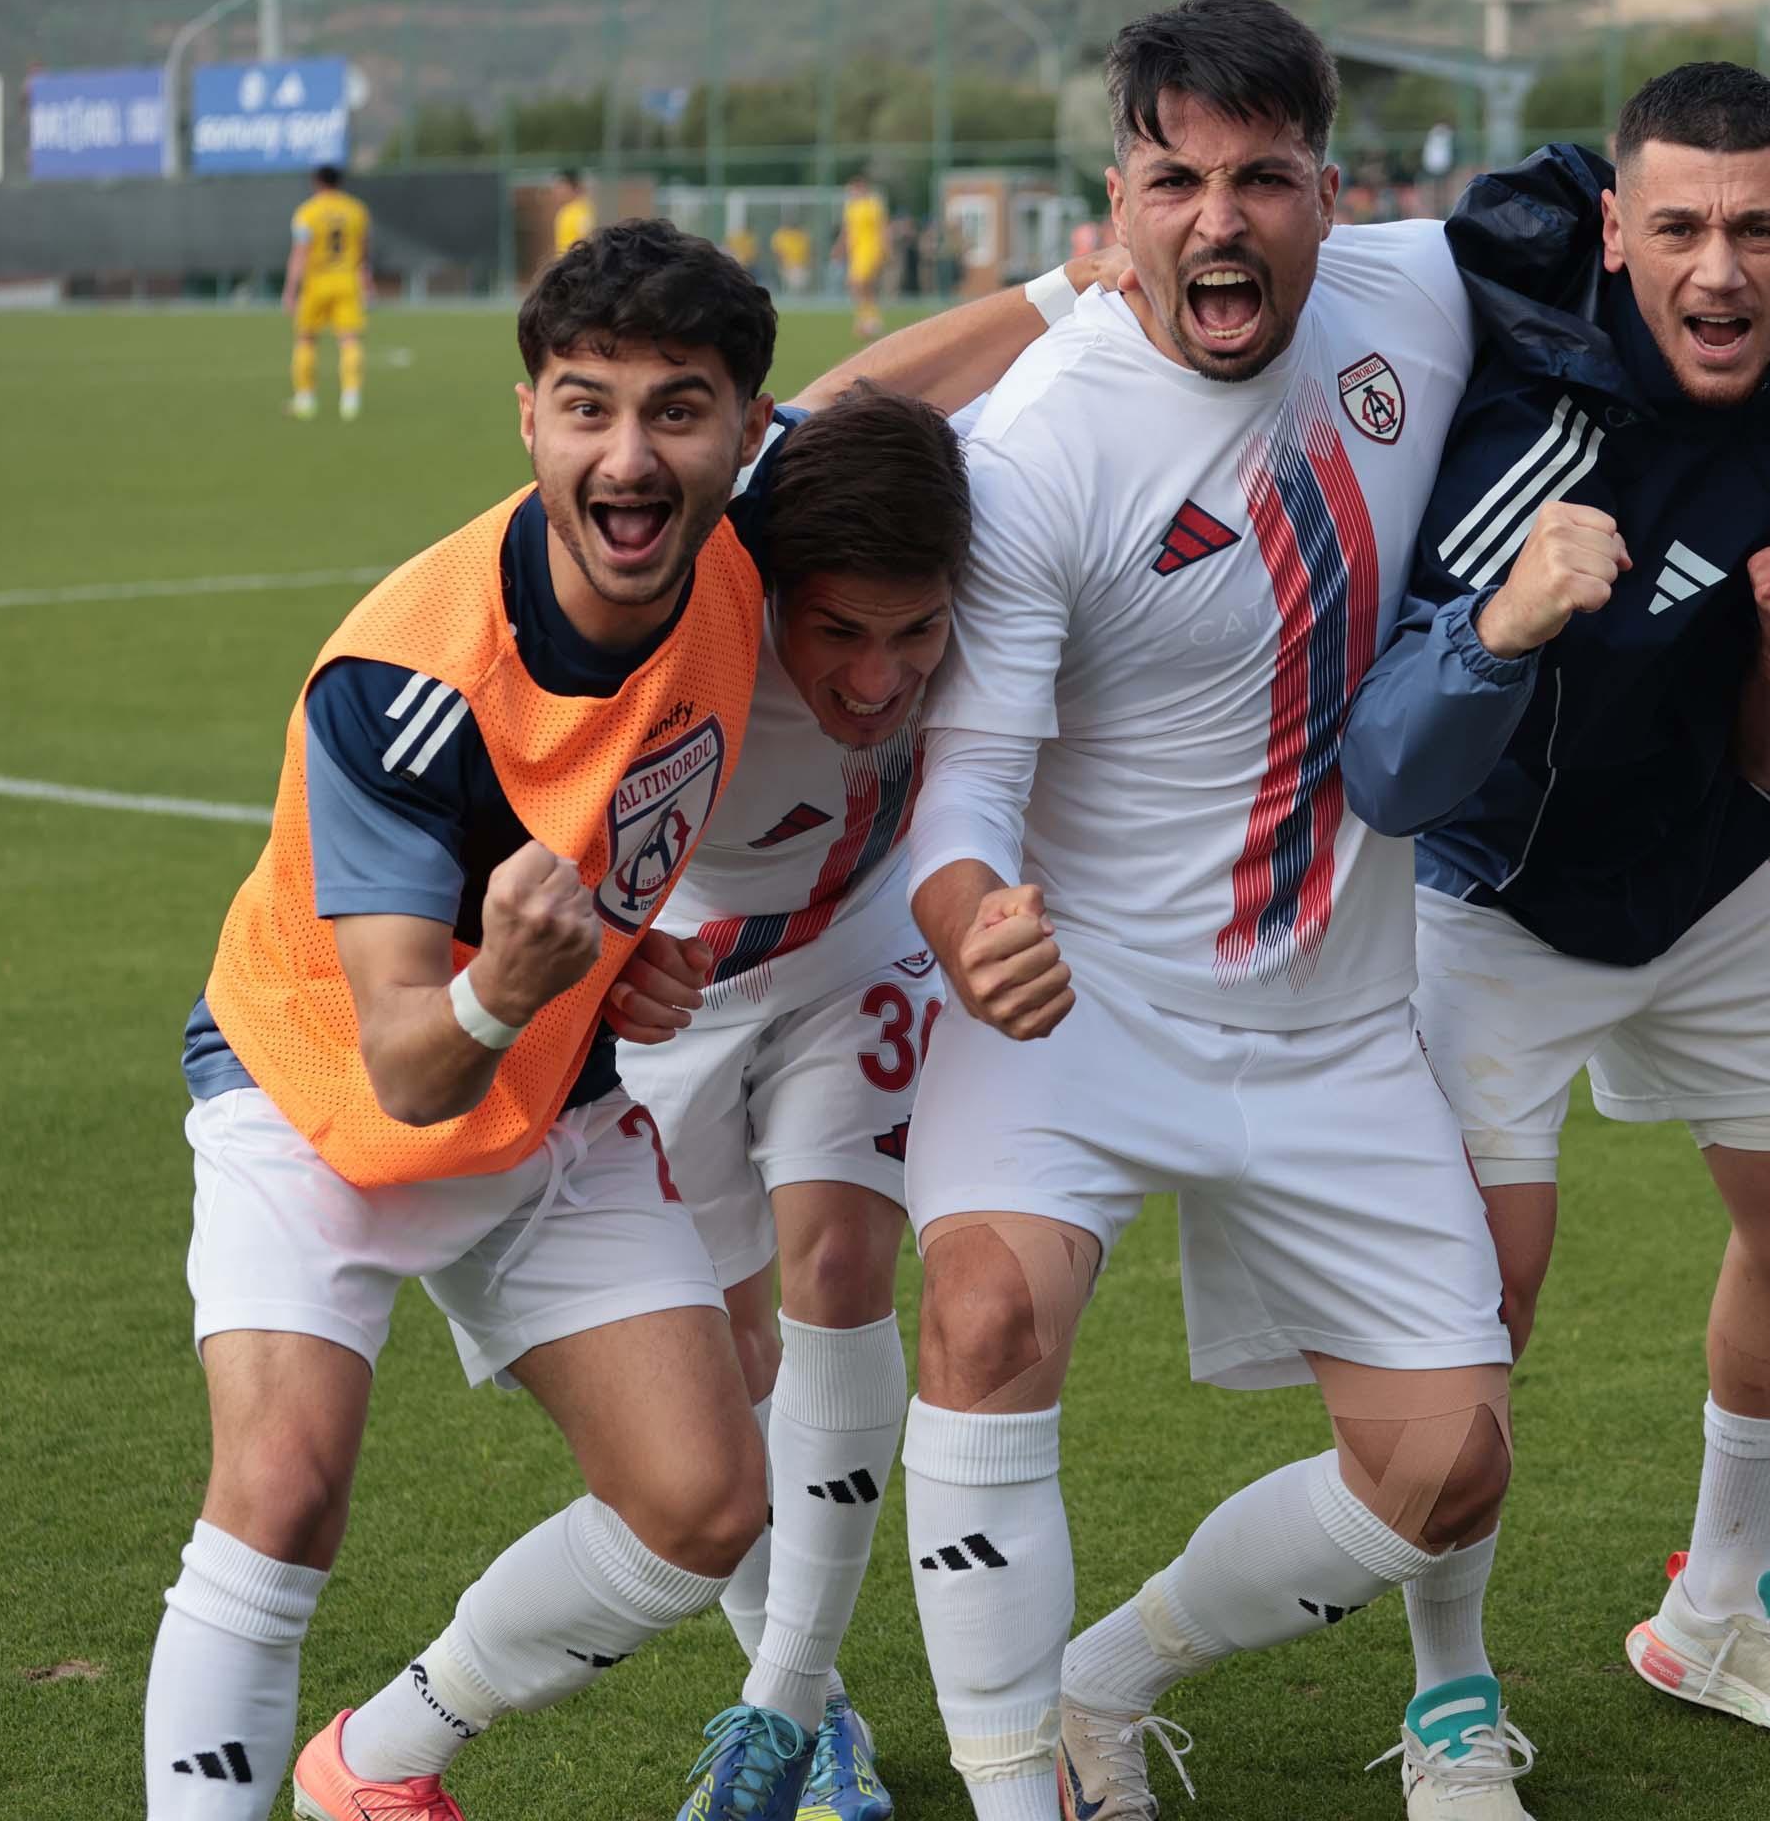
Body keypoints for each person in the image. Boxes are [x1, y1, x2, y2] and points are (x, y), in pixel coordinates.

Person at [893, 0, 1516, 1821]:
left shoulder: (1422, 292)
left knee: (1445, 1473)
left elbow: (1674, 194)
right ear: (1117, 204)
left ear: (1333, 192)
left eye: (1263, 179)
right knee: (984, 1317)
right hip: (1080, 1005)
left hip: (1337, 1017)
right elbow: (966, 786)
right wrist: (970, 920)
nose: (1219, 222)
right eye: (1176, 183)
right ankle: (1016, 1797)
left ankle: (1110, 1676)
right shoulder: (1039, 448)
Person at [145, 221, 785, 1820]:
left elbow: (895, 387)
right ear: (528, 419)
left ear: (747, 428)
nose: (629, 459)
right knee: (281, 1491)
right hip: (318, 1091)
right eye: (586, 408)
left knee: (704, 1505)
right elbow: (408, 1070)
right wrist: (508, 983)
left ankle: (374, 1763)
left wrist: (1078, 286)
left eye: (678, 410)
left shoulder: (738, 537)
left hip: (551, 1093)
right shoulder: (403, 683)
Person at [1338, 61, 1770, 1772]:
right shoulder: (1538, 439)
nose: (1719, 272)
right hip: (1497, 899)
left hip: (1709, 876)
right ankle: (1450, 1696)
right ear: (1612, 233)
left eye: (1757, 230)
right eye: (1677, 231)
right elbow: (1388, 773)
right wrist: (1505, 625)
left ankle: (1718, 1611)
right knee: (1479, 1310)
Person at [619, 243, 1136, 1821]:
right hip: (671, 977)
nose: (878, 678)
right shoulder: (688, 590)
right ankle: (818, 1696)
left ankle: (785, 1709)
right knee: (718, 1367)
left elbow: (865, 398)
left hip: (861, 941)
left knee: (844, 1260)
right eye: (839, 634)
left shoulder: (948, 529)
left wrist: (1069, 291)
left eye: (916, 638)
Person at [284, 162, 372, 422]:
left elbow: (300, 253)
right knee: (350, 340)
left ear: (316, 182)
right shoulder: (356, 210)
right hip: (347, 281)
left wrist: (290, 289)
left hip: (316, 283)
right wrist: (364, 277)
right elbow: (363, 250)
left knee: (306, 339)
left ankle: (305, 399)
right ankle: (351, 399)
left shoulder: (307, 212)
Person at [839, 174, 889, 339]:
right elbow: (847, 230)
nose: (852, 193)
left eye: (854, 189)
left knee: (859, 283)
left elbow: (882, 227)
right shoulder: (851, 208)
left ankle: (868, 321)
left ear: (862, 188)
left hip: (871, 249)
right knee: (860, 287)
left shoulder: (873, 204)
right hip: (856, 252)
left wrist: (885, 249)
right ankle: (869, 320)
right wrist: (839, 247)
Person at [551, 170, 595, 258]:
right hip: (566, 262)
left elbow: (586, 241)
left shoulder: (582, 210)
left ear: (573, 187)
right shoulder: (566, 211)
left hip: (575, 263)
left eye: (561, 187)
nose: (557, 191)